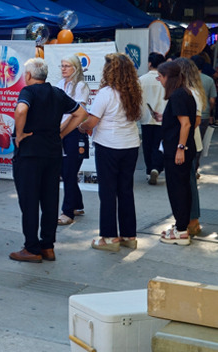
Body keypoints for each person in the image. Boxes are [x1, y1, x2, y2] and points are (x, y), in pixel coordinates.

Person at [9, 58, 87, 263]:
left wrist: (19, 134)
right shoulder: (56, 92)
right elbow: (81, 113)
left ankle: (31, 247)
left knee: (29, 201)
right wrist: (61, 134)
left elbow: (20, 110)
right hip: (52, 153)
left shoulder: (28, 92)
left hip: (30, 154)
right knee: (50, 200)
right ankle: (48, 246)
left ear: (28, 76)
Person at [77, 54, 142, 252]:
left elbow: (92, 121)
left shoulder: (106, 93)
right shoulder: (135, 92)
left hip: (109, 145)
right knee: (125, 190)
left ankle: (109, 237)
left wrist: (81, 126)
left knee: (107, 192)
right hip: (130, 144)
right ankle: (129, 236)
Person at [157, 60, 196, 245]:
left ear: (168, 77)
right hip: (179, 149)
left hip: (177, 150)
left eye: (160, 76)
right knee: (182, 188)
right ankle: (181, 225)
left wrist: (180, 148)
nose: (159, 80)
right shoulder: (184, 93)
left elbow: (186, 123)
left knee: (177, 189)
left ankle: (181, 230)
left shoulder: (178, 95)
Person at [57, 56, 91, 225]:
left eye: (67, 66)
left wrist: (62, 128)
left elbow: (77, 113)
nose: (63, 69)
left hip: (74, 132)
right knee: (65, 171)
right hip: (60, 130)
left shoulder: (81, 86)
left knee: (69, 172)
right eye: (62, 66)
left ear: (76, 68)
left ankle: (67, 212)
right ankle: (77, 204)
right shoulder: (58, 84)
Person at [176, 57, 206, 237]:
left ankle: (192, 221)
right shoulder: (194, 91)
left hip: (188, 144)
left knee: (187, 183)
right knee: (188, 183)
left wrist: (180, 142)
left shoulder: (189, 93)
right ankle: (191, 220)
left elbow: (194, 121)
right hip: (190, 143)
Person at [140, 52, 167, 185]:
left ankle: (148, 170)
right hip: (162, 117)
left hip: (146, 116)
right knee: (160, 144)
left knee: (147, 144)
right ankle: (156, 167)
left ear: (150, 63)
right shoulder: (165, 79)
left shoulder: (142, 79)